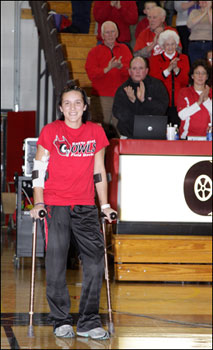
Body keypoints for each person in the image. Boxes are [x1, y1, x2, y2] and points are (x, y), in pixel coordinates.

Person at [30, 85, 117, 340]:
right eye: (67, 103)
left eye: (77, 103)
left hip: (86, 205)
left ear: (85, 106)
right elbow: (38, 170)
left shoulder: (96, 132)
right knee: (56, 262)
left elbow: (99, 171)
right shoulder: (51, 131)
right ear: (60, 108)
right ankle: (61, 320)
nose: (72, 108)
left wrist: (105, 205)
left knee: (95, 261)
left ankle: (89, 321)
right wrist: (38, 203)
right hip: (55, 204)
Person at [85, 20, 132, 129]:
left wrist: (120, 67)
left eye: (112, 32)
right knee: (99, 130)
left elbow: (131, 72)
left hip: (121, 97)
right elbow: (91, 74)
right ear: (102, 35)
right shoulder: (94, 52)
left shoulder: (124, 49)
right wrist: (107, 69)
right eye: (107, 32)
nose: (110, 35)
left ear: (117, 33)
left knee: (120, 129)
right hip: (101, 97)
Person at [112, 56, 169, 138]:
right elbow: (118, 113)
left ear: (146, 71)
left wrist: (143, 101)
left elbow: (161, 110)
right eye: (134, 68)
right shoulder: (123, 89)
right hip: (128, 135)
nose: (137, 71)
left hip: (153, 134)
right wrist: (133, 102)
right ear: (129, 71)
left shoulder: (157, 85)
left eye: (141, 68)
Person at [149, 30, 190, 126]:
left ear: (176, 45)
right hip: (161, 102)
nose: (170, 47)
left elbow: (186, 81)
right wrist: (168, 70)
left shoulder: (184, 58)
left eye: (173, 44)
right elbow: (154, 81)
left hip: (179, 101)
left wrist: (176, 70)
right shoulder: (155, 59)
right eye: (167, 45)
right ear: (162, 46)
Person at [177, 59, 212, 139]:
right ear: (192, 76)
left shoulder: (211, 92)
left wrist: (206, 99)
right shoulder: (184, 92)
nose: (200, 76)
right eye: (197, 73)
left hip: (208, 137)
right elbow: (182, 115)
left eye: (203, 73)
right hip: (187, 138)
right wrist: (199, 102)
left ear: (207, 77)